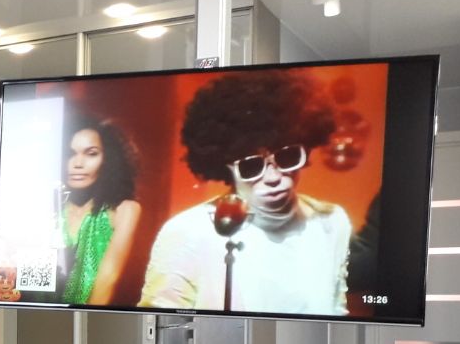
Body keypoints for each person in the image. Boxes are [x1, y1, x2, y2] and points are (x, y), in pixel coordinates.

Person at [138, 71, 352, 315]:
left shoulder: (331, 222)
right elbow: (160, 323)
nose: (273, 177)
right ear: (226, 168)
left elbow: (337, 311)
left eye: (287, 157)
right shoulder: (188, 232)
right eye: (252, 166)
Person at [57, 113, 142, 305]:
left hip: (90, 317)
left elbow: (107, 281)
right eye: (70, 154)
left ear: (108, 160)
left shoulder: (124, 210)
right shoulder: (47, 211)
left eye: (91, 153)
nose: (78, 163)